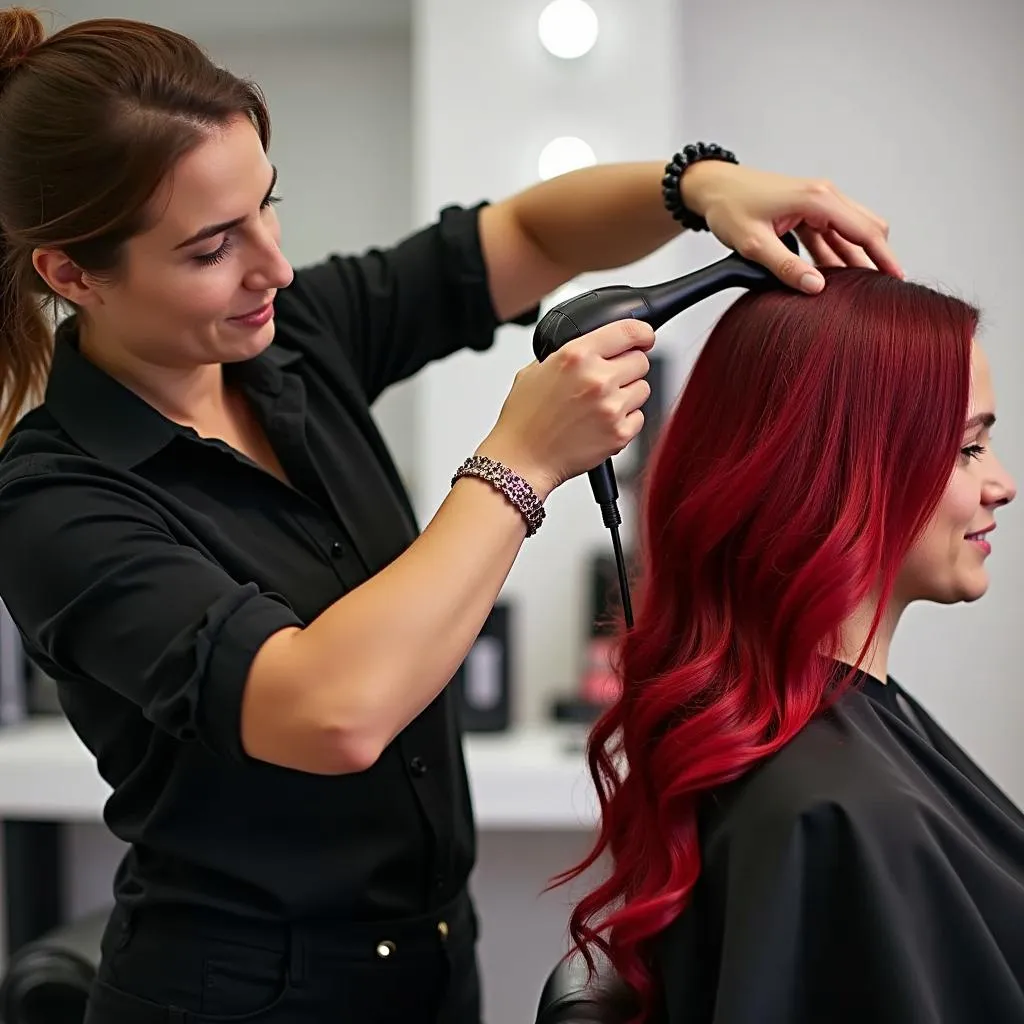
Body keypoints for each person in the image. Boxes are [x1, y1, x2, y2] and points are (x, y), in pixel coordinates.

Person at [0, 8, 900, 1024]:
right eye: (212, 247)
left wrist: (700, 186)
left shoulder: (292, 341)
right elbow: (329, 709)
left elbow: (525, 234)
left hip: (430, 971)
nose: (274, 267)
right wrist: (519, 461)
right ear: (71, 273)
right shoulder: (56, 499)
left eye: (268, 206)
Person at [560, 267, 1020, 1023]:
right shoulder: (836, 812)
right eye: (968, 450)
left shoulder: (819, 749)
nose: (1001, 484)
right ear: (845, 470)